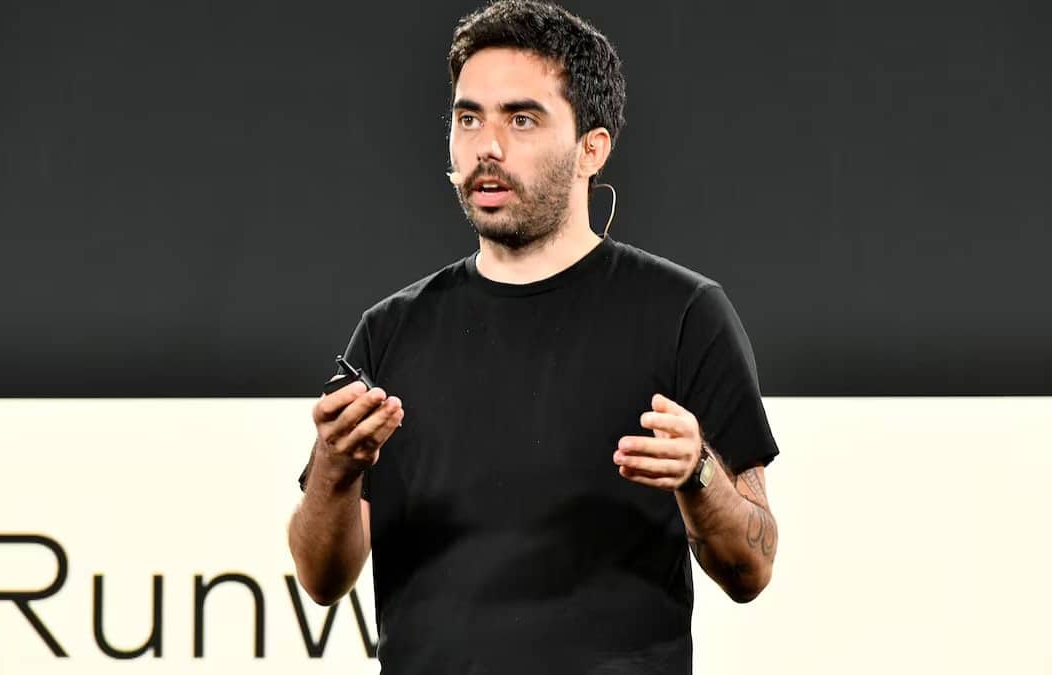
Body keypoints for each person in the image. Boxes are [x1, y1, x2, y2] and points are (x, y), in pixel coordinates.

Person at [288, 2, 780, 672]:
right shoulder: (389, 331)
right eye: (469, 119)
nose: (486, 147)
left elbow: (751, 567)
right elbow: (321, 579)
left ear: (591, 149)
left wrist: (698, 474)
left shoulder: (685, 314)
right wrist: (334, 468)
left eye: (521, 119)